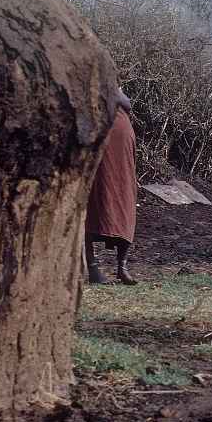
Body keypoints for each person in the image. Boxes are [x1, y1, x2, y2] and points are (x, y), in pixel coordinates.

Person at [85, 87, 138, 285]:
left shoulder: (109, 86)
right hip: (102, 145)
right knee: (95, 202)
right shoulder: (95, 83)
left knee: (124, 202)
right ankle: (94, 269)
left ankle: (122, 267)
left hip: (120, 151)